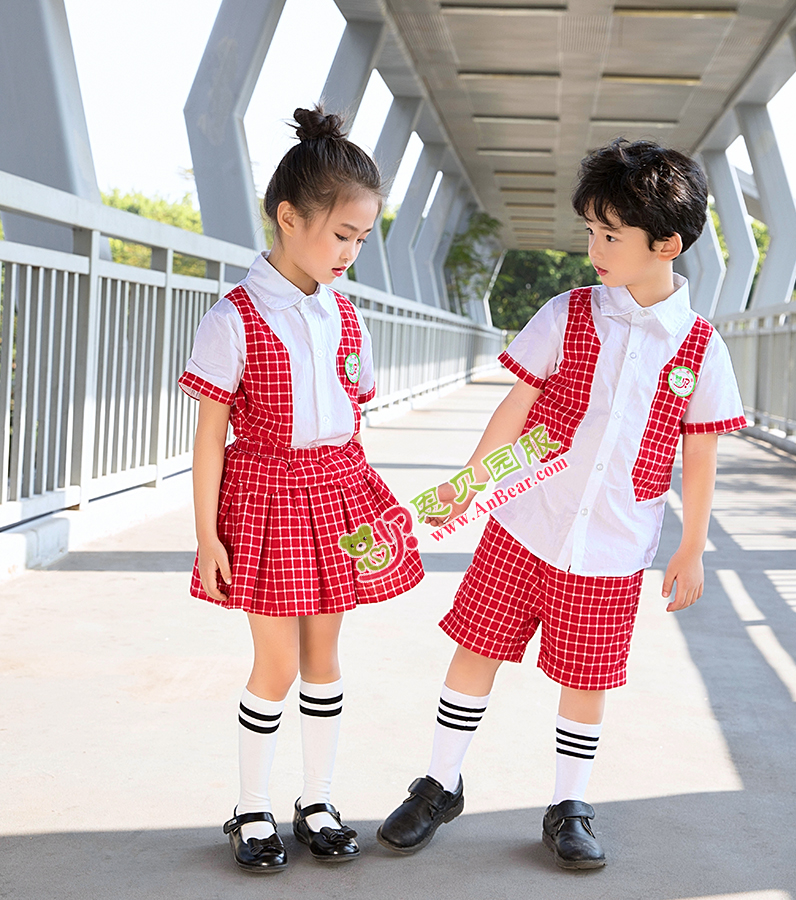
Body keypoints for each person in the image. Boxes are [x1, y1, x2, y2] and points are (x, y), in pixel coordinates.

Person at [377, 138, 746, 870]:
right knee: (474, 649)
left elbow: (699, 452)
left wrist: (691, 546)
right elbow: (518, 403)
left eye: (612, 235)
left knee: (586, 679)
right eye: (591, 231)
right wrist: (470, 481)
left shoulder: (701, 347)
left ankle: (568, 804)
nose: (594, 248)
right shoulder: (569, 312)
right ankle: (439, 784)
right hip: (523, 525)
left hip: (612, 546)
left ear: (667, 243)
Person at [178, 106, 424, 874]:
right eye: (341, 235)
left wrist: (358, 501)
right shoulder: (236, 318)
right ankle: (250, 808)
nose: (351, 252)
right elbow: (211, 435)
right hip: (266, 498)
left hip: (337, 489)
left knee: (325, 656)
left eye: (360, 238)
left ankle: (316, 799)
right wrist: (208, 534)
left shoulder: (346, 315)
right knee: (275, 663)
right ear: (289, 218)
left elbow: (353, 413)